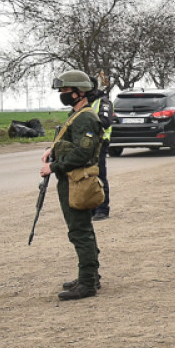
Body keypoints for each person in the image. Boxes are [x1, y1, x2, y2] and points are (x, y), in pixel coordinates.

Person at [43, 69, 104, 301]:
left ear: (81, 92)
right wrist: (51, 151)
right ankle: (90, 276)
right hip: (71, 179)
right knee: (81, 229)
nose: (63, 94)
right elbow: (70, 142)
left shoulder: (86, 117)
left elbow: (82, 153)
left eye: (66, 90)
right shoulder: (76, 115)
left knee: (80, 232)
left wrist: (53, 166)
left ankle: (87, 283)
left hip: (78, 181)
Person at [92, 71, 116, 220]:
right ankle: (90, 208)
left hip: (100, 143)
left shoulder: (103, 102)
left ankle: (102, 209)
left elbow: (105, 122)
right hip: (85, 145)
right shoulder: (83, 103)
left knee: (99, 176)